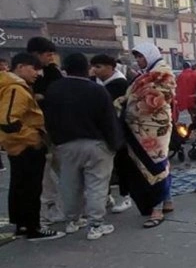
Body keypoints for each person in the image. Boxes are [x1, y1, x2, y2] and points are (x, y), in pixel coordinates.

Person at [44, 54, 123, 240]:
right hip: (96, 144)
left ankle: (72, 221)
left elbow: (48, 119)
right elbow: (108, 120)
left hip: (65, 145)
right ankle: (96, 224)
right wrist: (114, 144)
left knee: (69, 184)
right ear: (86, 68)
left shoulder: (54, 89)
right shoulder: (96, 90)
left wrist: (54, 142)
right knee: (97, 185)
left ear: (65, 68)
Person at [0, 53, 64, 241]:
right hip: (25, 146)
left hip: (16, 145)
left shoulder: (11, 86)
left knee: (20, 185)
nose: (37, 73)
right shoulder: (15, 88)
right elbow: (8, 121)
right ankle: (32, 227)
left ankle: (22, 225)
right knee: (30, 187)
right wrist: (34, 138)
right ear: (20, 67)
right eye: (33, 68)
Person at [118, 43, 176, 229]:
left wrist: (132, 102)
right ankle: (167, 201)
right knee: (161, 163)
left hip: (154, 127)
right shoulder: (146, 75)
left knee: (154, 166)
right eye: (137, 57)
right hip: (144, 127)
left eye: (141, 56)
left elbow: (158, 98)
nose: (138, 60)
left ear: (150, 55)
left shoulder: (163, 73)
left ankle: (156, 210)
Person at [27, 37, 65, 225]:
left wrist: (44, 96)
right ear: (35, 54)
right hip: (34, 132)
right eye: (48, 54)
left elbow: (60, 95)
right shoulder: (23, 76)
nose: (51, 58)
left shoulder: (53, 72)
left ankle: (78, 204)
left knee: (64, 168)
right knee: (44, 173)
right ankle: (49, 208)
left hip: (55, 129)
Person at [90, 54, 133, 214]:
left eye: (98, 66)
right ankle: (107, 196)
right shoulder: (96, 82)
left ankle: (125, 196)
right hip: (102, 132)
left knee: (121, 163)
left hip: (117, 130)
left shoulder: (119, 83)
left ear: (111, 67)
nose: (95, 70)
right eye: (94, 66)